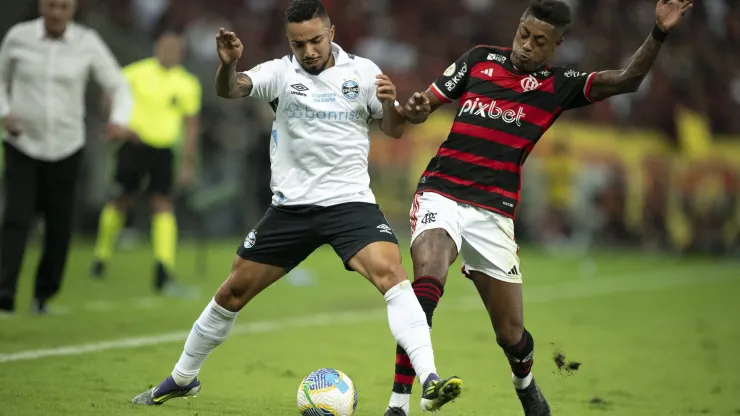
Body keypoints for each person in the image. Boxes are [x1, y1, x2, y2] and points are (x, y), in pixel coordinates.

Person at [131, 0, 463, 412]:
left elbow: (393, 130)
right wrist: (228, 65)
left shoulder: (363, 72)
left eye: (315, 40)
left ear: (332, 33)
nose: (308, 51)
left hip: (349, 205)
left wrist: (393, 104)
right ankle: (183, 377)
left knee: (392, 276)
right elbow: (230, 90)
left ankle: (429, 377)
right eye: (299, 43)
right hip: (291, 210)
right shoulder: (279, 73)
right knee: (231, 293)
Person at [384, 1, 694, 415]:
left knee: (511, 333)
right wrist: (417, 109)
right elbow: (421, 109)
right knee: (428, 277)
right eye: (524, 35)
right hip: (442, 191)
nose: (526, 46)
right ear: (518, 28)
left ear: (556, 46)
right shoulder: (478, 60)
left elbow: (627, 80)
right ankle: (400, 403)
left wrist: (659, 31)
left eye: (539, 42)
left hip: (493, 212)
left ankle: (525, 384)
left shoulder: (559, 85)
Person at [0, 0, 133, 314]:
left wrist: (119, 120)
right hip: (23, 144)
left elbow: (118, 84)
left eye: (63, 6)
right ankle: (4, 292)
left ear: (72, 9)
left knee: (58, 224)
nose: (56, 13)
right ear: (40, 7)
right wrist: (5, 113)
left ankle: (43, 294)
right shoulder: (19, 37)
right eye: (51, 6)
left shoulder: (87, 42)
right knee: (16, 218)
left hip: (67, 146)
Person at [90, 29, 201, 295]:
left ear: (181, 53)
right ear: (156, 48)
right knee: (122, 199)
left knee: (162, 203)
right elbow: (108, 96)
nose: (170, 53)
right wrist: (117, 123)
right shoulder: (136, 73)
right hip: (134, 144)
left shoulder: (187, 84)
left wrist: (187, 163)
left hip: (163, 151)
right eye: (166, 47)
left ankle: (163, 266)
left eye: (175, 49)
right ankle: (101, 255)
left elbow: (191, 126)